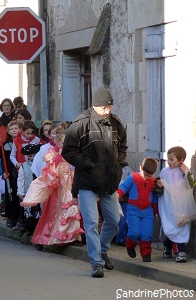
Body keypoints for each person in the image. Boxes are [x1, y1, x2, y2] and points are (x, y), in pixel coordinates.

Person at [61, 87, 128, 278]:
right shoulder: (81, 123)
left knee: (114, 221)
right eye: (103, 107)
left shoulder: (116, 123)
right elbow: (68, 151)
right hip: (87, 181)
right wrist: (88, 164)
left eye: (109, 106)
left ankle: (102, 249)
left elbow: (123, 145)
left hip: (109, 180)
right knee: (91, 223)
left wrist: (120, 162)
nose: (107, 110)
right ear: (94, 106)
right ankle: (96, 262)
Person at [22, 126, 84, 248]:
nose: (64, 144)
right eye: (62, 141)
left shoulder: (71, 153)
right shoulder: (51, 153)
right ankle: (46, 237)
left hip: (70, 184)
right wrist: (58, 158)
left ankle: (71, 236)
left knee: (71, 208)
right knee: (54, 212)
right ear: (57, 141)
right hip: (58, 186)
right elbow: (48, 170)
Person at [156, 146, 196, 263]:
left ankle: (180, 251)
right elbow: (158, 190)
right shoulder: (164, 172)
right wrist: (158, 187)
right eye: (168, 159)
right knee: (169, 226)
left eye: (171, 159)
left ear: (181, 160)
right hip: (168, 205)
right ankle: (168, 246)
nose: (168, 162)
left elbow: (192, 184)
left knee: (180, 226)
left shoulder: (184, 172)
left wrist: (186, 172)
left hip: (181, 205)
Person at [116, 157, 159, 262]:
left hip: (148, 211)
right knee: (134, 233)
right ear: (141, 168)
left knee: (147, 234)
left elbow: (155, 198)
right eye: (145, 175)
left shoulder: (154, 182)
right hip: (133, 210)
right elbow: (124, 187)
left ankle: (146, 254)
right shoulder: (133, 177)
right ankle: (130, 245)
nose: (147, 178)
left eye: (150, 176)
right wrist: (118, 194)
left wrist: (156, 211)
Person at [0, 121, 20, 227]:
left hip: (21, 171)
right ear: (8, 132)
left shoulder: (21, 142)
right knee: (11, 195)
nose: (14, 130)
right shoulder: (6, 144)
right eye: (11, 129)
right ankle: (12, 217)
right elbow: (1, 157)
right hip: (10, 173)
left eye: (16, 128)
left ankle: (21, 217)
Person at [17, 143, 41, 237]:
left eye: (35, 155)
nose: (33, 157)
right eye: (30, 156)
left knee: (37, 211)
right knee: (29, 212)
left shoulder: (40, 164)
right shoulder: (24, 166)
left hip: (39, 192)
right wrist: (20, 192)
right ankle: (28, 229)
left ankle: (36, 228)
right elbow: (21, 179)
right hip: (28, 192)